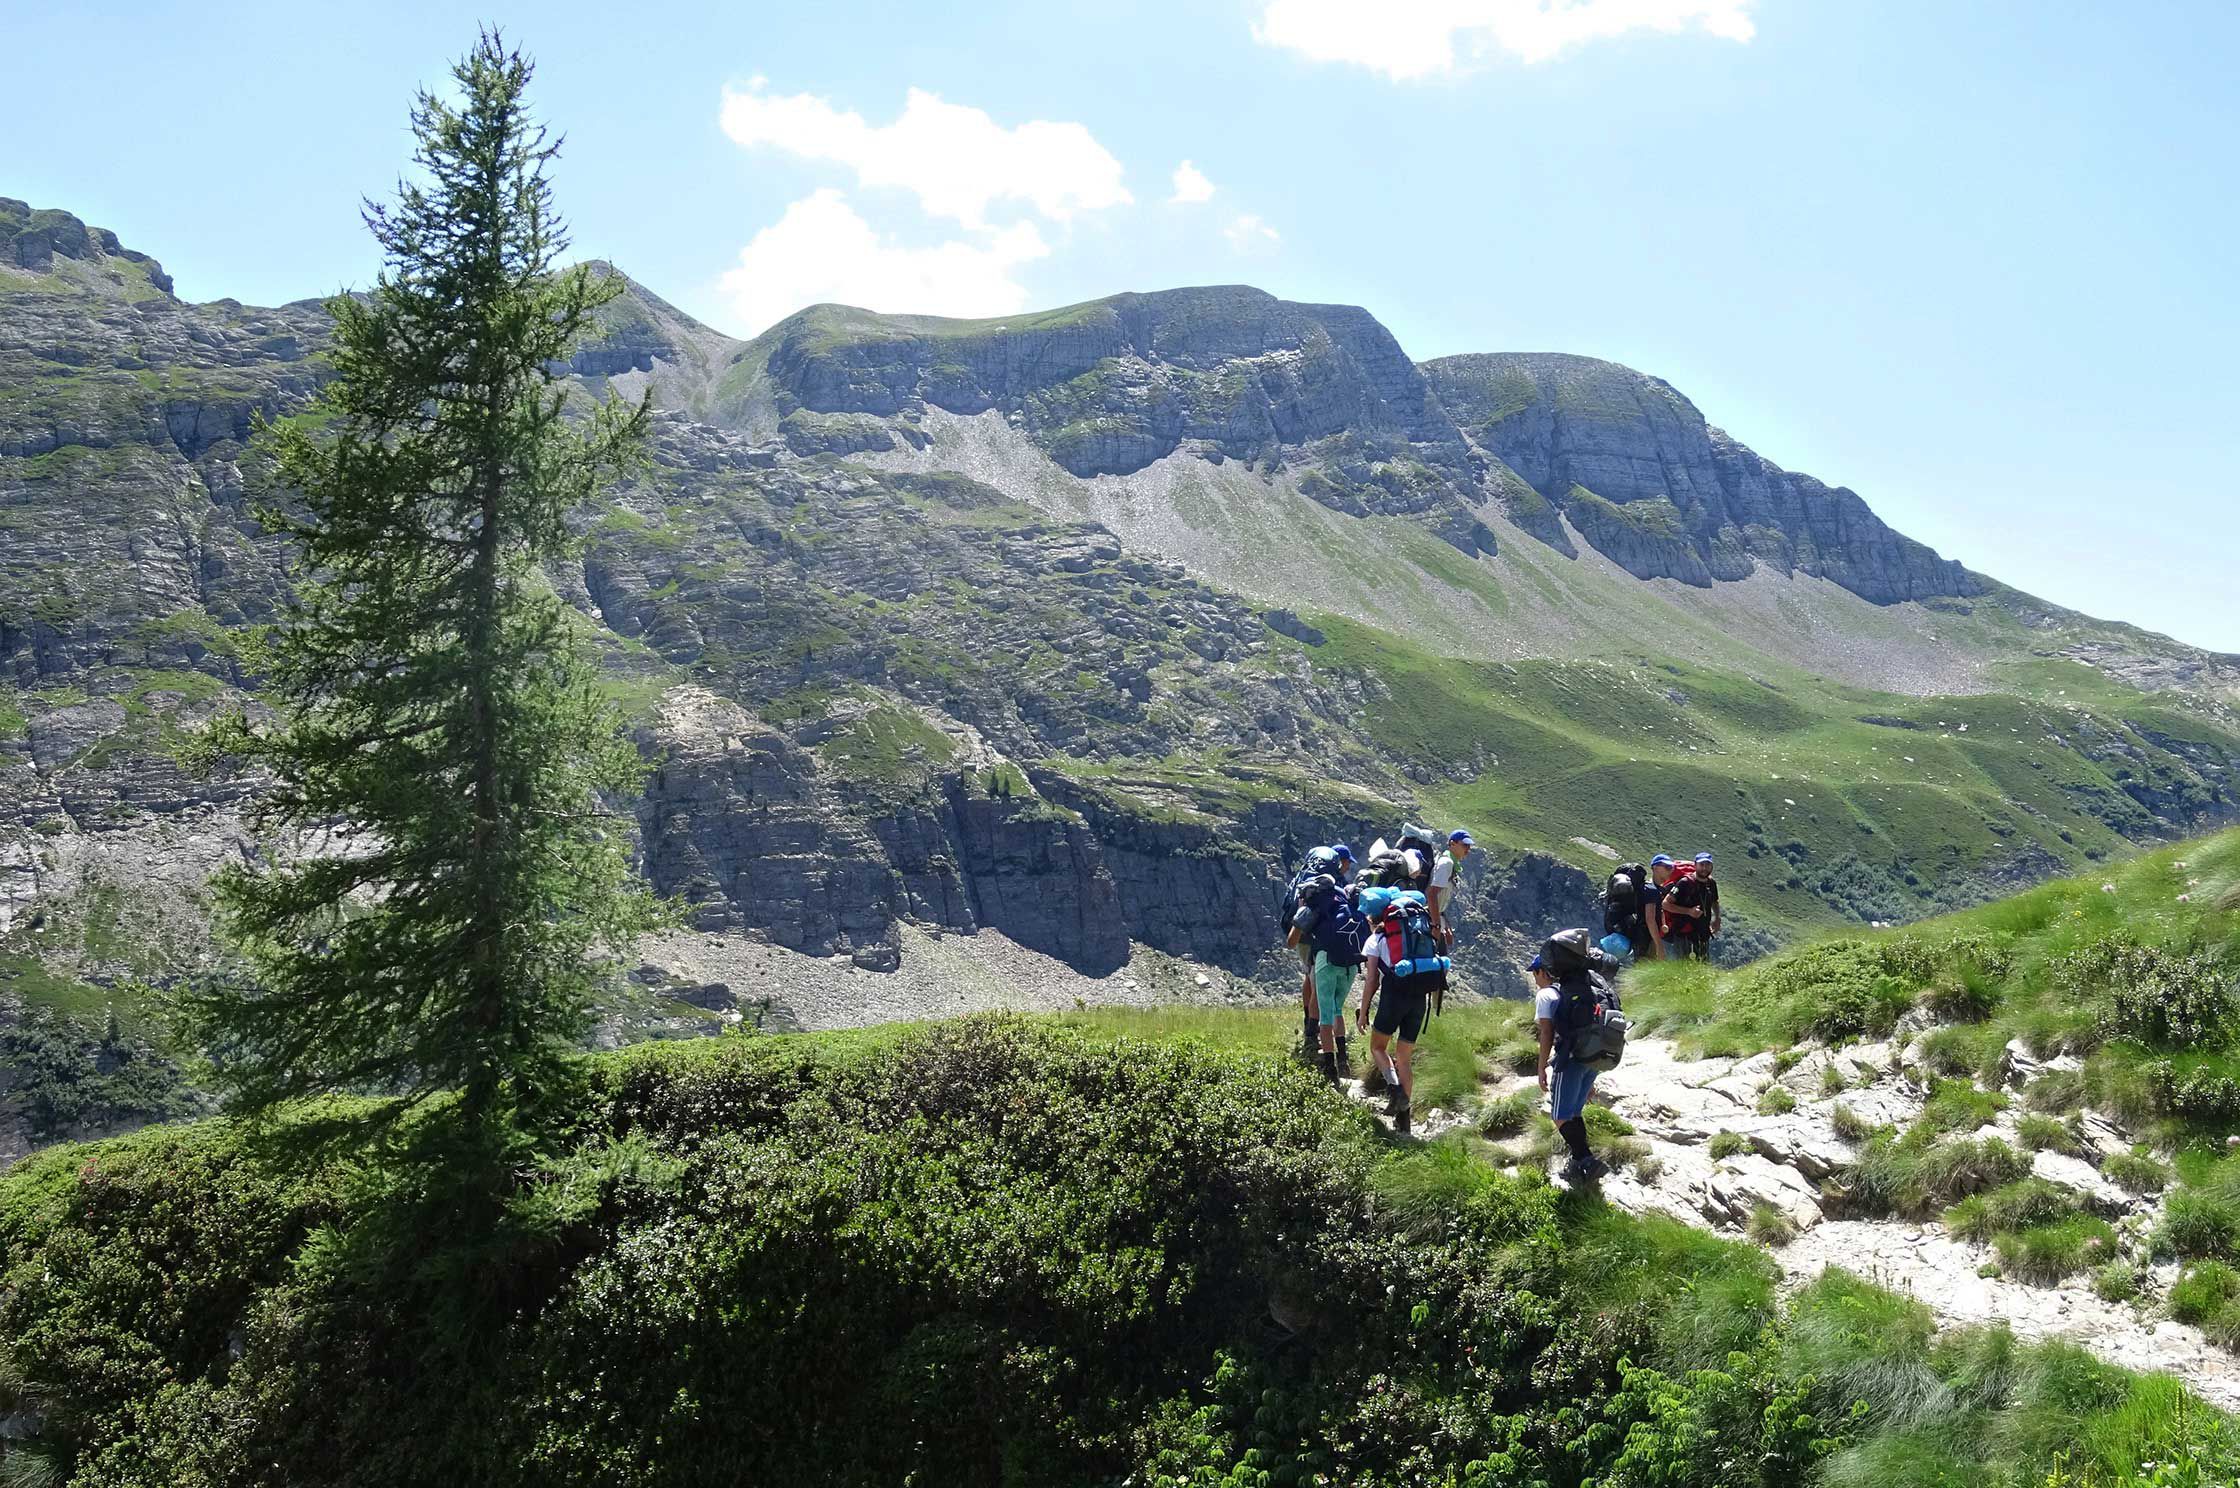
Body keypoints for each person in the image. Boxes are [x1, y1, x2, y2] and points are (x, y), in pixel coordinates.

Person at [1355, 891, 1445, 1135]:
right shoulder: (1418, 934)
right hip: (1419, 998)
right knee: (1404, 1058)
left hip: (1394, 995)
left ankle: (1394, 1090)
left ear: (1371, 917)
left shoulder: (1377, 939)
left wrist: (1363, 1012)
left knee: (1378, 1047)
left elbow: (1372, 980)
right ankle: (1404, 1121)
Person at [1532, 937, 1621, 1183]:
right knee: (1574, 1112)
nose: (1534, 978)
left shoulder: (1546, 995)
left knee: (1559, 1115)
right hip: (1592, 1054)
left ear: (1545, 971)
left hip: (1570, 1057)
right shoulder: (1583, 985)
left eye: (1535, 972)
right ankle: (1578, 1161)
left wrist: (1541, 1068)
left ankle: (1587, 1160)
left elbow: (1547, 1032)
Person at [1428, 829, 1472, 946]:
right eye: (1465, 845)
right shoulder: (1447, 863)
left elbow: (1440, 901)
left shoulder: (1451, 864)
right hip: (1430, 919)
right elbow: (1432, 894)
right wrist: (1436, 925)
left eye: (1469, 846)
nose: (1468, 850)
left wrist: (1445, 925)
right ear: (1452, 844)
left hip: (1434, 917)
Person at [1640, 855, 1676, 960]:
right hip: (1646, 938)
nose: (1670, 871)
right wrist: (1659, 946)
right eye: (1667, 867)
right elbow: (1650, 919)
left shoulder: (1655, 889)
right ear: (1655, 867)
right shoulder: (1652, 890)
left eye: (1671, 868)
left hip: (1645, 937)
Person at [1690, 852, 1722, 958]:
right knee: (1684, 964)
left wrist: (1717, 917)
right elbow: (1666, 904)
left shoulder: (1711, 883)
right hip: (1686, 932)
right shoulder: (1685, 883)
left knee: (1703, 963)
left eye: (1707, 865)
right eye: (1701, 865)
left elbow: (1714, 901)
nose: (1704, 868)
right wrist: (1688, 911)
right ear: (1695, 865)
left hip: (1704, 931)